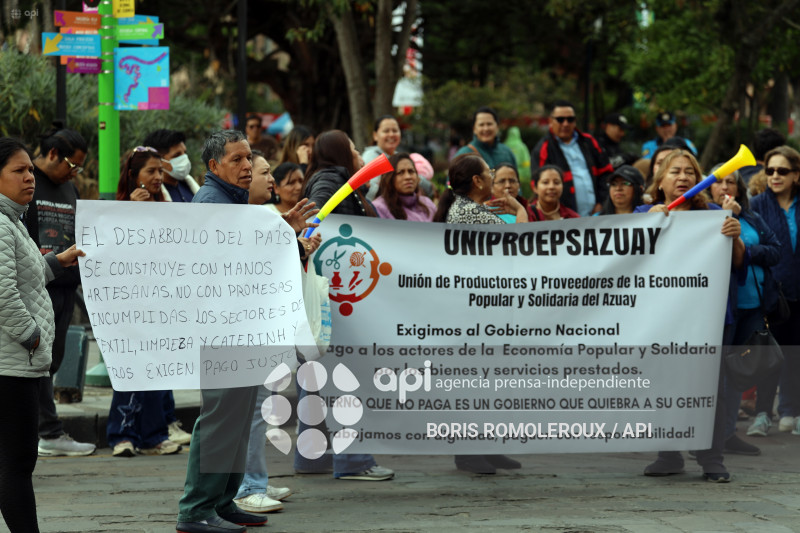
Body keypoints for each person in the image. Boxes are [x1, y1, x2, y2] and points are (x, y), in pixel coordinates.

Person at [176, 130, 270, 533]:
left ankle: (222, 501)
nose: (247, 166)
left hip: (241, 327)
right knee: (219, 421)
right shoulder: (212, 203)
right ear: (214, 166)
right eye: (237, 159)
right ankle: (196, 509)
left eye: (249, 158)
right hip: (222, 331)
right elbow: (225, 265)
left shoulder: (233, 200)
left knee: (238, 419)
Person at [636, 150, 744, 483]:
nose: (683, 177)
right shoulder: (643, 214)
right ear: (660, 182)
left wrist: (735, 234)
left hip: (705, 318)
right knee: (663, 385)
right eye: (675, 172)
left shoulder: (712, 215)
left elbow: (738, 261)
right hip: (660, 320)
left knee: (709, 388)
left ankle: (712, 460)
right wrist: (647, 225)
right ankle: (668, 454)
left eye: (690, 172)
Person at [0, 137, 85, 533]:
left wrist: (57, 261)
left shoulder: (12, 221)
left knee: (12, 463)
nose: (29, 177)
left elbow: (25, 278)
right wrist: (32, 337)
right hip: (12, 365)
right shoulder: (2, 224)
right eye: (19, 170)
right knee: (17, 464)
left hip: (18, 362)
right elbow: (4, 295)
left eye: (30, 170)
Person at [299, 129, 394, 481]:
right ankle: (353, 460)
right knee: (345, 373)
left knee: (316, 374)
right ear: (340, 153)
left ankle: (311, 456)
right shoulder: (330, 181)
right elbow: (317, 220)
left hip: (334, 293)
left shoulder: (334, 181)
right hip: (340, 297)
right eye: (353, 148)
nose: (358, 154)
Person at [237, 150, 320, 514]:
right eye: (264, 173)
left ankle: (254, 478)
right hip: (247, 329)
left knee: (259, 408)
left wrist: (297, 246)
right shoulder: (241, 217)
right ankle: (247, 486)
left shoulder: (263, 216)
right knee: (251, 410)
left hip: (262, 326)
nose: (270, 179)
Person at [431, 153, 525, 474]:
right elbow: (520, 244)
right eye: (489, 171)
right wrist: (520, 211)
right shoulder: (469, 212)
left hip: (482, 308)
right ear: (477, 181)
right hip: (473, 312)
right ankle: (469, 452)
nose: (493, 175)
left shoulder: (467, 209)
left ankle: (487, 446)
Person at [24, 125, 96, 458]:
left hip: (66, 287)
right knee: (37, 361)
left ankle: (41, 430)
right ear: (53, 153)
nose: (75, 172)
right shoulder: (27, 182)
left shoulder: (70, 189)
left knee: (52, 361)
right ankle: (48, 431)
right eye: (72, 164)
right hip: (36, 287)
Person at [108, 149, 182, 458]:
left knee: (157, 368)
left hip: (161, 303)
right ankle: (122, 435)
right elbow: (111, 253)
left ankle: (154, 436)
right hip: (129, 304)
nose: (158, 177)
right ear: (133, 176)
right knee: (129, 367)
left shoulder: (168, 207)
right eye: (151, 171)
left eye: (160, 171)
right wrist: (131, 213)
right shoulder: (116, 212)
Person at [708, 167, 780, 456]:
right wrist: (728, 218)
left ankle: (727, 434)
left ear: (739, 189)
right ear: (709, 189)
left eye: (731, 182)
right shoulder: (702, 217)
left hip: (753, 306)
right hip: (723, 308)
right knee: (717, 375)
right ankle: (709, 435)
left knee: (737, 371)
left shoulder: (752, 218)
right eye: (719, 182)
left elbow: (775, 250)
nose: (725, 187)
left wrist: (749, 252)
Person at [748, 146, 800, 437]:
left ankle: (792, 411)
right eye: (770, 170)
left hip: (799, 291)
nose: (775, 176)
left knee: (795, 355)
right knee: (769, 357)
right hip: (770, 294)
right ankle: (762, 413)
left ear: (796, 175)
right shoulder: (756, 204)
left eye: (782, 170)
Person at [531, 100, 613, 216]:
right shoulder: (543, 148)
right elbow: (538, 184)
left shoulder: (589, 141)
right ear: (550, 121)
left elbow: (607, 173)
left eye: (570, 119)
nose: (565, 124)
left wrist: (602, 203)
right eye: (560, 119)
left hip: (598, 216)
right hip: (563, 219)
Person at [373, 153, 436, 222]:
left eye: (411, 171)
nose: (408, 177)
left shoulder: (428, 204)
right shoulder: (379, 208)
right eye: (401, 172)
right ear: (390, 178)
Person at [142, 129, 200, 203]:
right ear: (159, 160)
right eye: (177, 155)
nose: (184, 158)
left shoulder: (191, 188)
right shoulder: (150, 196)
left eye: (185, 153)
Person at [364, 115, 403, 199]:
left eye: (395, 130)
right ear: (375, 135)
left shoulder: (400, 157)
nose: (391, 134)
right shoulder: (371, 157)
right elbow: (370, 191)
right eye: (386, 131)